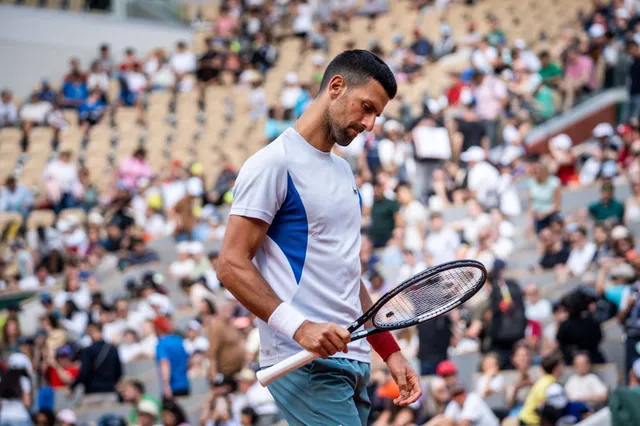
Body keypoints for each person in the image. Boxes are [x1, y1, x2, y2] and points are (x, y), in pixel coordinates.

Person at [217, 50, 421, 426]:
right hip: (305, 362)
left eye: (376, 114)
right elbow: (230, 264)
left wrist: (388, 351)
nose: (371, 123)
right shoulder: (272, 164)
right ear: (336, 87)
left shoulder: (344, 173)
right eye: (366, 108)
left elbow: (345, 275)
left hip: (353, 362)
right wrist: (301, 328)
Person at [69, 322, 122, 404]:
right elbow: (119, 372)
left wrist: (72, 387)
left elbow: (84, 372)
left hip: (92, 394)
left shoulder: (88, 351)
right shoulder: (113, 349)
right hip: (110, 393)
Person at [519, 351, 565, 425]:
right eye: (562, 365)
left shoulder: (544, 380)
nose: (563, 367)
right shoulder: (549, 384)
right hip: (529, 422)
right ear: (557, 368)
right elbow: (541, 407)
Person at [154, 316, 190, 398]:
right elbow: (188, 361)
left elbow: (164, 363)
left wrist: (166, 386)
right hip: (185, 384)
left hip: (172, 387)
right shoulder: (179, 340)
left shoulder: (161, 344)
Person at [0, 353, 33, 426]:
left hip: (3, 417)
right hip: (20, 417)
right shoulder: (24, 380)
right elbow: (27, 403)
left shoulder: (3, 379)